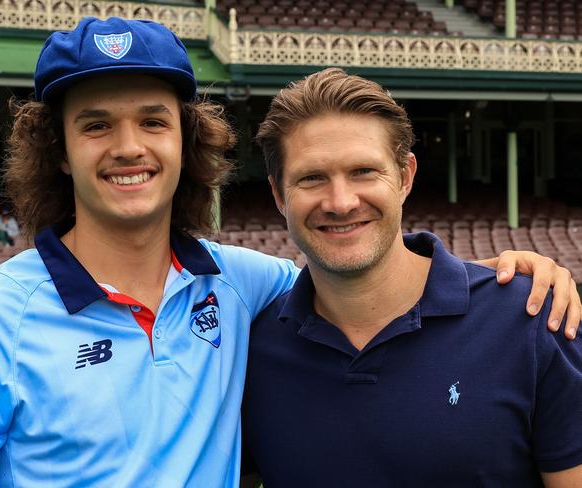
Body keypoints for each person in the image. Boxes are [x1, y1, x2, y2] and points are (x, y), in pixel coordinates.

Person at [0, 19, 576, 488]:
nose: (129, 147)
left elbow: (365, 269)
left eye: (153, 121)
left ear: (185, 143)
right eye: (96, 124)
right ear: (60, 151)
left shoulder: (248, 287)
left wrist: (512, 271)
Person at [242, 68, 582, 487]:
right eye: (312, 178)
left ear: (405, 176)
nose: (341, 202)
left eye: (364, 171)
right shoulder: (251, 349)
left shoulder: (530, 320)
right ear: (278, 195)